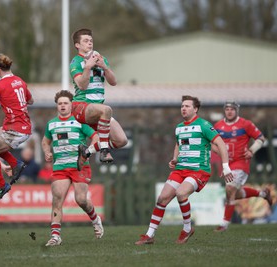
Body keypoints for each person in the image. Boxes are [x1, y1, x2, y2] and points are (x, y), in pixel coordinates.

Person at [134, 95, 234, 245]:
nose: (184, 108)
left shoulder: (204, 125)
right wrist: (175, 158)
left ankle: (187, 228)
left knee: (181, 193)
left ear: (195, 109)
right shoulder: (179, 127)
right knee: (162, 199)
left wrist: (225, 167)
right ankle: (149, 235)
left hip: (198, 170)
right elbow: (179, 144)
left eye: (187, 106)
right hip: (180, 169)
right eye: (182, 106)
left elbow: (220, 144)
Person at [41, 90, 103, 246]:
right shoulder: (51, 124)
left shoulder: (80, 122)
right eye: (60, 103)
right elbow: (45, 142)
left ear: (71, 105)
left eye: (65, 103)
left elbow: (96, 137)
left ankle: (95, 219)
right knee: (57, 200)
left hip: (79, 166)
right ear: (57, 106)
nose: (62, 106)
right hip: (60, 166)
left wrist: (88, 151)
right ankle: (55, 236)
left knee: (81, 199)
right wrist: (47, 152)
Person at [69, 28, 128, 170]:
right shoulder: (76, 62)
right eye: (85, 41)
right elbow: (82, 86)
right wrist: (88, 67)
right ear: (77, 45)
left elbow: (113, 82)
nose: (89, 43)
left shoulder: (101, 58)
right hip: (81, 107)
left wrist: (105, 67)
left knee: (121, 140)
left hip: (98, 109)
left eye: (91, 41)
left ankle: (86, 151)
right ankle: (104, 151)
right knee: (107, 109)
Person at [213, 101, 272, 232]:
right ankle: (263, 194)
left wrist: (251, 150)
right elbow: (212, 143)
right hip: (227, 164)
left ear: (237, 111)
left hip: (241, 162)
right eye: (227, 109)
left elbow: (260, 138)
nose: (229, 111)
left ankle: (224, 224)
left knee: (229, 189)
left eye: (232, 109)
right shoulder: (218, 126)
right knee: (235, 193)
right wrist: (218, 151)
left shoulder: (245, 124)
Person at [0, 53, 34, 203]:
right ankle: (15, 164)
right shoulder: (20, 81)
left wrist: (2, 98)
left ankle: (1, 185)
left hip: (16, 129)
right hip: (19, 125)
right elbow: (31, 101)